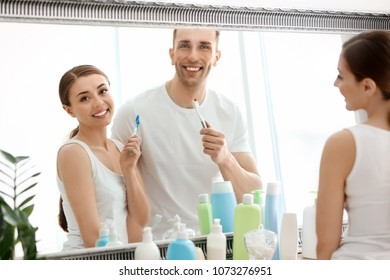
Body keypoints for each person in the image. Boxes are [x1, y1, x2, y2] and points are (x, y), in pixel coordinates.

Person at [111, 28, 262, 239]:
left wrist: (225, 159)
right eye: (184, 45)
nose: (193, 55)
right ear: (172, 54)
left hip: (214, 241)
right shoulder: (134, 112)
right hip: (158, 247)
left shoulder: (230, 111)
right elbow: (116, 202)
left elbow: (254, 195)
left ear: (216, 57)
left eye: (204, 46)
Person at [57, 65, 150, 250]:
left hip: (117, 255)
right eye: (85, 98)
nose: (99, 102)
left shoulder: (121, 148)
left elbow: (140, 222)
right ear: (69, 110)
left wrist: (129, 169)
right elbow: (93, 238)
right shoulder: (74, 153)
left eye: (103, 91)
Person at [316, 30, 390, 259]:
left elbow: (325, 246)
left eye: (341, 75)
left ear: (367, 86)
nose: (335, 83)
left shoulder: (344, 143)